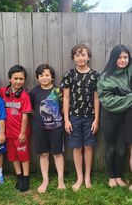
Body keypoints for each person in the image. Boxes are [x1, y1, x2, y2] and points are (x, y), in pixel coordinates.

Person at [61, 44, 100, 191]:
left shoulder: (95, 75)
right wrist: (66, 119)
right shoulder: (69, 75)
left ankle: (88, 176)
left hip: (90, 117)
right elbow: (66, 98)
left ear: (88, 57)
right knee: (77, 148)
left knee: (88, 146)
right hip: (74, 117)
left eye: (83, 55)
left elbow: (97, 99)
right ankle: (80, 177)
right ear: (73, 58)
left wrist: (96, 119)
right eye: (77, 55)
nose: (81, 58)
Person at [97, 44, 132, 188]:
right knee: (110, 147)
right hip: (109, 117)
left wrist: (123, 96)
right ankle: (111, 177)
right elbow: (107, 101)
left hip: (126, 117)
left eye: (125, 57)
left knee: (121, 148)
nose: (123, 60)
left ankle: (118, 176)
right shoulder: (105, 77)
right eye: (120, 57)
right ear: (114, 59)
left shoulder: (130, 73)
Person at [29, 64, 66, 193]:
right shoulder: (34, 92)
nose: (44, 78)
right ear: (37, 77)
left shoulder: (58, 91)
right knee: (43, 154)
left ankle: (61, 179)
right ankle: (45, 180)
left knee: (57, 153)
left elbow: (63, 107)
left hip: (56, 128)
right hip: (39, 128)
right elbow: (33, 109)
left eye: (47, 75)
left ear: (52, 77)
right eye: (41, 75)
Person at [0, 65, 32, 192]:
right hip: (7, 133)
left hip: (20, 133)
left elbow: (25, 116)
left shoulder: (24, 96)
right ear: (9, 79)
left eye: (21, 79)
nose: (18, 81)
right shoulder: (1, 92)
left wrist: (23, 133)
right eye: (15, 78)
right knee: (13, 156)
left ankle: (26, 178)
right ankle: (19, 177)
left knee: (23, 155)